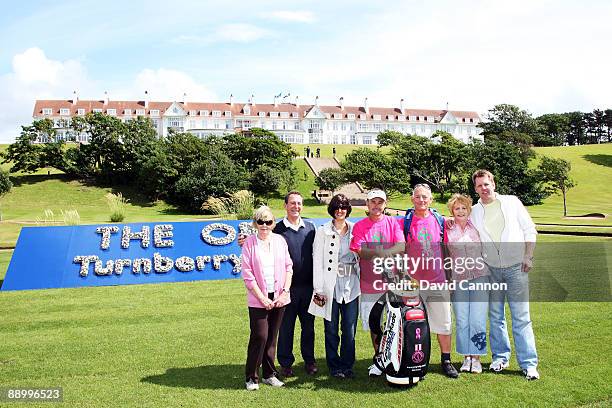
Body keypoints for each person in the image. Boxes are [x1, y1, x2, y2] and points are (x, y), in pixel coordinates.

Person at [470, 169, 539, 380]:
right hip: (490, 271)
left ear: (493, 184)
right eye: (479, 185)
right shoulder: (474, 211)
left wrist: (528, 255)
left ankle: (528, 364)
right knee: (496, 317)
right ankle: (500, 357)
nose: (484, 188)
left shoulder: (512, 202)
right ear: (475, 189)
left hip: (516, 267)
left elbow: (529, 229)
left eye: (486, 184)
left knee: (521, 318)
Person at [403, 183, 459, 378]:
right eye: (418, 197)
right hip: (414, 283)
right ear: (412, 199)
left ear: (431, 200)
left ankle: (446, 361)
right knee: (413, 324)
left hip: (438, 280)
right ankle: (416, 360)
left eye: (425, 197)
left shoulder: (439, 220)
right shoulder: (405, 222)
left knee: (444, 323)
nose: (421, 200)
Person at [349, 189, 404, 377]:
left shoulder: (393, 222)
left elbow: (401, 245)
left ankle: (392, 357)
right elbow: (361, 250)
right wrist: (385, 251)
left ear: (385, 204)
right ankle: (379, 357)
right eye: (373, 202)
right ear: (367, 204)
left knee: (394, 324)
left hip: (392, 284)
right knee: (375, 325)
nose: (377, 205)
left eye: (380, 202)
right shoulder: (360, 226)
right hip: (369, 285)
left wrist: (380, 251)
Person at [241, 206, 293, 390]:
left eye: (268, 222)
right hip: (258, 299)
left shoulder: (280, 241)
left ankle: (269, 374)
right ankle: (251, 377)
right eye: (260, 222)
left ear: (273, 224)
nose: (264, 225)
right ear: (255, 223)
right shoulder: (249, 243)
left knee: (272, 337)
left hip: (279, 298)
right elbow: (248, 275)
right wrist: (262, 298)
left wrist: (284, 292)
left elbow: (288, 267)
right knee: (260, 336)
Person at [308, 194, 360, 379]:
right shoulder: (322, 231)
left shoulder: (355, 229)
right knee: (330, 329)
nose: (340, 210)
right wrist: (318, 288)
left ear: (348, 209)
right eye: (337, 207)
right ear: (332, 209)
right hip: (329, 286)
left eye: (344, 207)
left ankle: (347, 365)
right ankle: (334, 366)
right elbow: (317, 260)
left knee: (349, 329)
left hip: (351, 285)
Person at [444, 193, 490, 374]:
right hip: (458, 280)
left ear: (469, 210)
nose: (461, 211)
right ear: (452, 211)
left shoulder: (477, 226)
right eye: (457, 208)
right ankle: (466, 357)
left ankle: (476, 358)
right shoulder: (447, 229)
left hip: (480, 277)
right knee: (462, 320)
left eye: (464, 208)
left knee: (477, 320)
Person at [274, 192, 318, 377]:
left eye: (299, 203)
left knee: (308, 328)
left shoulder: (311, 228)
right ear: (285, 205)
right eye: (292, 203)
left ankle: (309, 361)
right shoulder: (276, 229)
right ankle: (285, 363)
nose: (296, 207)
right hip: (286, 288)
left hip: (308, 287)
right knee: (286, 328)